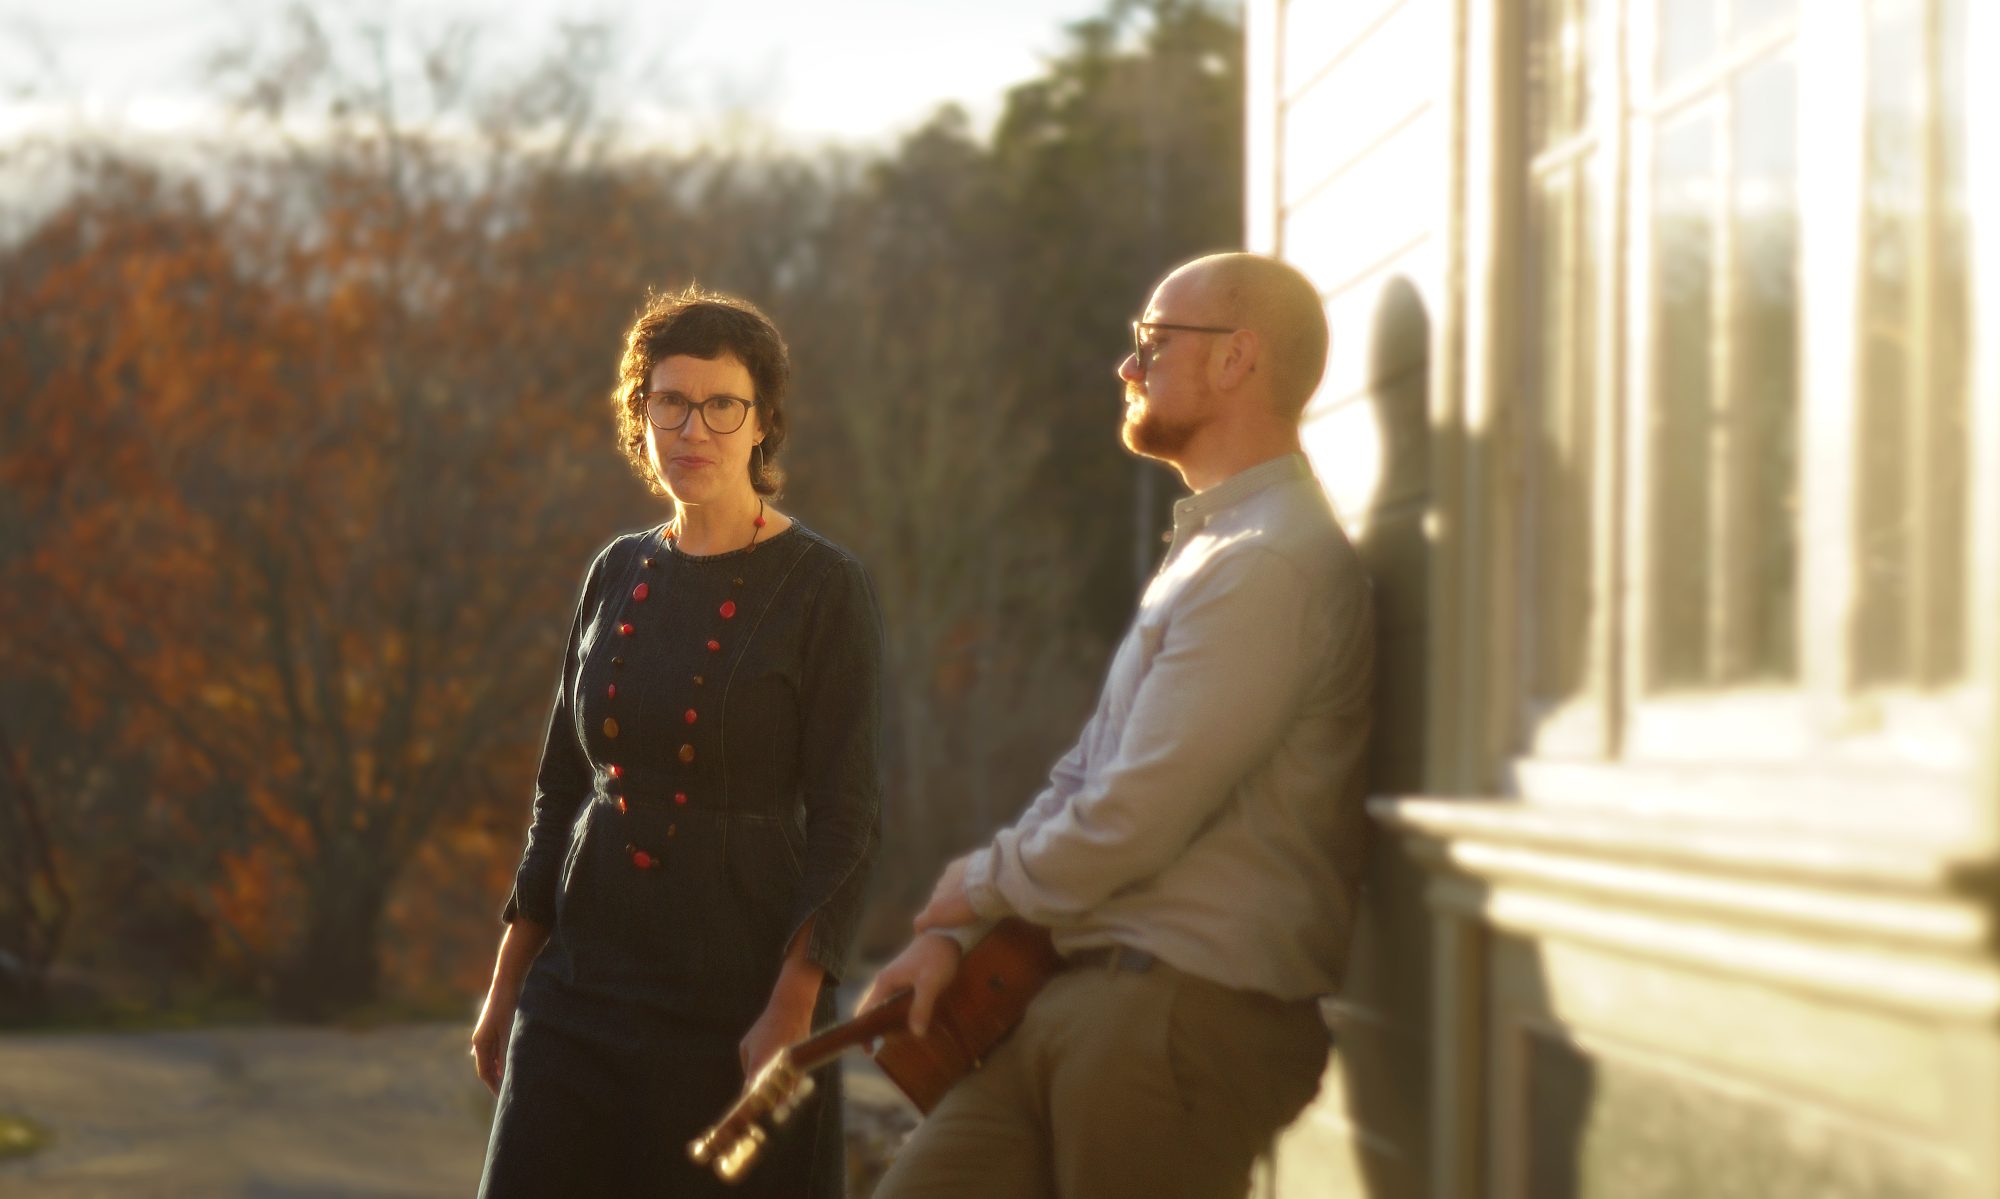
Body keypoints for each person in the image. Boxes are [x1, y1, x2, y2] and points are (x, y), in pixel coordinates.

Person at [863, 252, 1374, 1199]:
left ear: (1237, 360)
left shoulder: (1269, 565)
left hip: (1172, 1019)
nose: (1127, 367)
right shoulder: (1214, 550)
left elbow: (1133, 815)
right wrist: (961, 928)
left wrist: (971, 882)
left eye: (1153, 340)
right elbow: (1086, 779)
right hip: (1075, 998)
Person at [472, 286, 882, 1198]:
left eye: (721, 405)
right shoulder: (616, 569)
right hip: (582, 980)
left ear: (762, 422)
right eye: (668, 401)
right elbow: (560, 788)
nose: (692, 428)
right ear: (639, 413)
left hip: (739, 990)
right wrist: (509, 984)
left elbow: (849, 818)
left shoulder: (824, 587)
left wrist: (793, 1008)